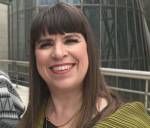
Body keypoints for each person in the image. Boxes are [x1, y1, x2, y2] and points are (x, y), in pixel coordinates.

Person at [17, 2, 150, 128]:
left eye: (70, 41)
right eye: (46, 44)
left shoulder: (130, 122)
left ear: (88, 48)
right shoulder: (33, 116)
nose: (58, 53)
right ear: (34, 56)